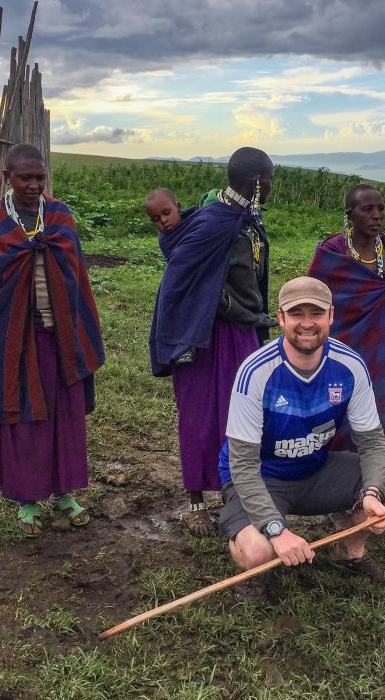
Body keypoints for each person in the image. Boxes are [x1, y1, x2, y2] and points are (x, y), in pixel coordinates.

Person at [219, 277, 385, 599]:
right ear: (281, 318)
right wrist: (276, 530)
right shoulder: (255, 372)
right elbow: (242, 465)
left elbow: (371, 442)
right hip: (260, 477)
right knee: (257, 551)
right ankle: (250, 567)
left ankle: (348, 552)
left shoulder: (349, 365)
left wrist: (372, 493)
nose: (307, 324)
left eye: (316, 313)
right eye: (297, 314)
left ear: (331, 316)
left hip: (316, 469)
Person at [0, 143, 105, 536]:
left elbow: (77, 277)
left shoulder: (59, 215)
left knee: (65, 415)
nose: (33, 185)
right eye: (25, 177)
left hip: (60, 334)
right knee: (25, 416)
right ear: (7, 176)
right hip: (15, 336)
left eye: (39, 177)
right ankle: (27, 500)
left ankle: (64, 494)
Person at [149, 147, 275, 536]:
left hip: (239, 331)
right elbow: (179, 283)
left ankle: (235, 493)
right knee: (201, 416)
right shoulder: (216, 221)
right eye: (269, 180)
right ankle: (196, 501)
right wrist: (230, 309)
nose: (271, 187)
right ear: (256, 183)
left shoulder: (240, 216)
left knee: (242, 414)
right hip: (204, 337)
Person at [307, 184, 385, 449]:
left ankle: (374, 471)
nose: (377, 215)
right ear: (350, 214)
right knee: (340, 407)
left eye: (380, 209)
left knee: (380, 408)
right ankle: (337, 471)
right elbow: (313, 298)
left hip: (384, 348)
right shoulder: (332, 251)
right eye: (368, 209)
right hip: (343, 346)